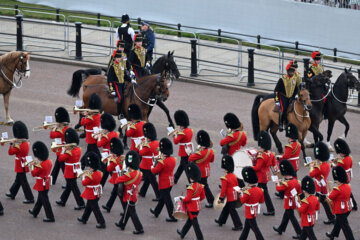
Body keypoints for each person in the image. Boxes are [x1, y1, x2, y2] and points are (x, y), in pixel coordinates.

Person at [115, 150, 144, 235]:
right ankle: (122, 223)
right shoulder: (139, 173)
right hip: (134, 193)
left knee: (132, 212)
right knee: (127, 210)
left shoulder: (129, 175)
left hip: (128, 195)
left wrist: (122, 173)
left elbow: (117, 180)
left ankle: (139, 228)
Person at [56, 128, 85, 210]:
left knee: (74, 188)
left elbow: (60, 159)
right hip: (75, 169)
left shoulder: (69, 152)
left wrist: (62, 150)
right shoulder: (77, 149)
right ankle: (63, 200)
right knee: (69, 186)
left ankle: (81, 203)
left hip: (69, 171)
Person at [5, 121, 34, 204]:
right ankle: (12, 192)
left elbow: (10, 152)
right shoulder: (25, 143)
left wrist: (11, 144)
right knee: (18, 180)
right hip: (23, 164)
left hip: (20, 165)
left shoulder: (19, 145)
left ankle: (30, 198)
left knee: (23, 182)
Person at [150, 138, 177, 222]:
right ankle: (156, 211)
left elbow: (155, 171)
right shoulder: (172, 159)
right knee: (163, 198)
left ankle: (172, 216)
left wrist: (153, 165)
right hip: (171, 180)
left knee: (168, 200)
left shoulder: (162, 162)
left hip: (164, 182)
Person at [273, 160, 302, 239]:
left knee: (292, 217)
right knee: (286, 216)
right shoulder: (296, 181)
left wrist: (277, 183)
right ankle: (281, 228)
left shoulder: (287, 183)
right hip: (294, 200)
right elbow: (299, 191)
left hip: (288, 202)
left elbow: (279, 189)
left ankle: (300, 233)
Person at [177, 163, 205, 240]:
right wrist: (196, 200)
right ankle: (183, 233)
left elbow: (188, 199)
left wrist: (182, 198)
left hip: (192, 207)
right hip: (197, 206)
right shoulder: (200, 186)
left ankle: (200, 238)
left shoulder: (190, 187)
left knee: (195, 224)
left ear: (191, 177)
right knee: (190, 221)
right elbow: (203, 196)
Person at [77, 152, 106, 229]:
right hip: (96, 191)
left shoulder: (91, 175)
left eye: (90, 167)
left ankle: (101, 222)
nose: (89, 168)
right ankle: (84, 218)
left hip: (91, 193)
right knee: (88, 207)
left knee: (95, 209)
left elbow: (84, 183)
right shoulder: (99, 173)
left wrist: (83, 176)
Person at [326, 166, 355, 240]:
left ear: (338, 179)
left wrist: (329, 190)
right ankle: (333, 234)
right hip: (347, 208)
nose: (336, 181)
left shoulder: (337, 189)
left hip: (340, 210)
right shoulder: (347, 186)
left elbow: (330, 197)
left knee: (345, 227)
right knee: (338, 222)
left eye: (336, 180)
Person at [309, 141, 335, 224]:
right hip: (324, 185)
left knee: (313, 200)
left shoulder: (319, 167)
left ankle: (310, 217)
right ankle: (331, 217)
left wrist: (311, 167)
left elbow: (311, 174)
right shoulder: (326, 164)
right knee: (323, 201)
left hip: (318, 186)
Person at [29, 141, 55, 222]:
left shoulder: (41, 165)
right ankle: (35, 211)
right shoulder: (49, 161)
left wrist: (32, 166)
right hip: (46, 182)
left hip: (42, 183)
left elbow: (33, 174)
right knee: (40, 199)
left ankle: (50, 217)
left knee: (45, 201)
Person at [215, 155, 243, 231]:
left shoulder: (225, 178)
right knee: (226, 209)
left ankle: (238, 225)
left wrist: (220, 198)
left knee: (232, 211)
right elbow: (237, 185)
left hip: (229, 197)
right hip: (234, 195)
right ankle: (221, 220)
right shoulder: (234, 176)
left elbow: (223, 190)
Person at [188, 130, 215, 208]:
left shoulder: (200, 153)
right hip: (206, 171)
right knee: (202, 186)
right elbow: (212, 160)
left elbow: (190, 158)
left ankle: (210, 201)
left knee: (202, 187)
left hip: (200, 172)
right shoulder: (210, 151)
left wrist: (189, 152)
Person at [275, 123, 301, 199]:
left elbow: (286, 157)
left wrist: (279, 158)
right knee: (294, 178)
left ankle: (283, 193)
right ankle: (290, 192)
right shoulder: (298, 144)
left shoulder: (289, 146)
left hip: (290, 164)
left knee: (285, 179)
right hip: (296, 164)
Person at [239, 166, 265, 240]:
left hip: (249, 211)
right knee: (246, 229)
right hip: (254, 210)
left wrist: (240, 193)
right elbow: (262, 201)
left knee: (255, 229)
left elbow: (242, 201)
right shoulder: (260, 190)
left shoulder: (248, 192)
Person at [107, 44, 132, 119]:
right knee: (121, 97)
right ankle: (120, 112)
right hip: (116, 84)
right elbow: (110, 78)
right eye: (117, 57)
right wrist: (111, 89)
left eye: (119, 57)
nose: (118, 59)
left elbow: (124, 75)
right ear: (114, 58)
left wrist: (131, 79)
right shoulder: (112, 66)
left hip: (123, 83)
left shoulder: (121, 65)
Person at [253, 131, 275, 216]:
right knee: (259, 191)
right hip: (266, 175)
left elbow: (257, 167)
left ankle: (270, 209)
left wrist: (249, 167)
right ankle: (256, 205)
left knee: (264, 193)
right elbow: (273, 164)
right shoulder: (270, 154)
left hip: (261, 176)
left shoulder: (261, 156)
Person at [333, 138, 357, 211]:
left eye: (340, 152)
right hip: (348, 175)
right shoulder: (349, 158)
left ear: (342, 152)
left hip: (343, 177)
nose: (339, 154)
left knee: (346, 192)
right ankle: (354, 205)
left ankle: (352, 205)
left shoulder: (342, 161)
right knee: (349, 191)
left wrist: (333, 163)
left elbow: (336, 168)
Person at [138, 122, 160, 200]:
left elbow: (141, 153)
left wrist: (141, 146)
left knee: (153, 181)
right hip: (153, 163)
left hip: (147, 164)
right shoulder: (157, 142)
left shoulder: (148, 145)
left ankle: (159, 195)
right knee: (148, 179)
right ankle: (142, 192)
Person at [102, 137, 124, 213]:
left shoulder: (115, 160)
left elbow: (109, 169)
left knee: (120, 196)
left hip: (117, 178)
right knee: (114, 193)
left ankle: (126, 211)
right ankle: (108, 206)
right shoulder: (120, 157)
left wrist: (109, 161)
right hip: (119, 177)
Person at [274, 62, 299, 131]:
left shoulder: (294, 79)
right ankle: (281, 123)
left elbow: (296, 89)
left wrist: (295, 96)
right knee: (284, 109)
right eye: (290, 71)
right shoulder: (282, 79)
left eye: (293, 71)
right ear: (287, 71)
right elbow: (276, 91)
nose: (292, 73)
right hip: (283, 97)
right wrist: (276, 100)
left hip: (291, 97)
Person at [96, 113, 119, 187]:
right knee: (106, 171)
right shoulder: (115, 133)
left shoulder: (106, 136)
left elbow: (99, 145)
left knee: (107, 171)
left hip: (106, 155)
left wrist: (99, 137)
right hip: (112, 155)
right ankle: (101, 185)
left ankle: (117, 184)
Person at [80, 93, 102, 168]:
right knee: (89, 151)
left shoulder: (91, 118)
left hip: (91, 137)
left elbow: (82, 122)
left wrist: (84, 116)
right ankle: (82, 164)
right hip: (94, 136)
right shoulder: (98, 115)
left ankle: (102, 166)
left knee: (96, 153)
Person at [50, 107, 70, 185]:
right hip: (61, 149)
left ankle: (69, 182)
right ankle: (53, 178)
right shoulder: (66, 128)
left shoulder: (61, 131)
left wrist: (54, 128)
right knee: (57, 165)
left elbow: (52, 135)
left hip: (61, 150)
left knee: (63, 167)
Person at [173, 110, 193, 184]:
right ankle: (175, 178)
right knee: (182, 165)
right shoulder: (190, 130)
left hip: (183, 151)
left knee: (185, 167)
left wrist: (175, 134)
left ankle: (191, 182)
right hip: (188, 149)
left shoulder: (182, 133)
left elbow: (175, 142)